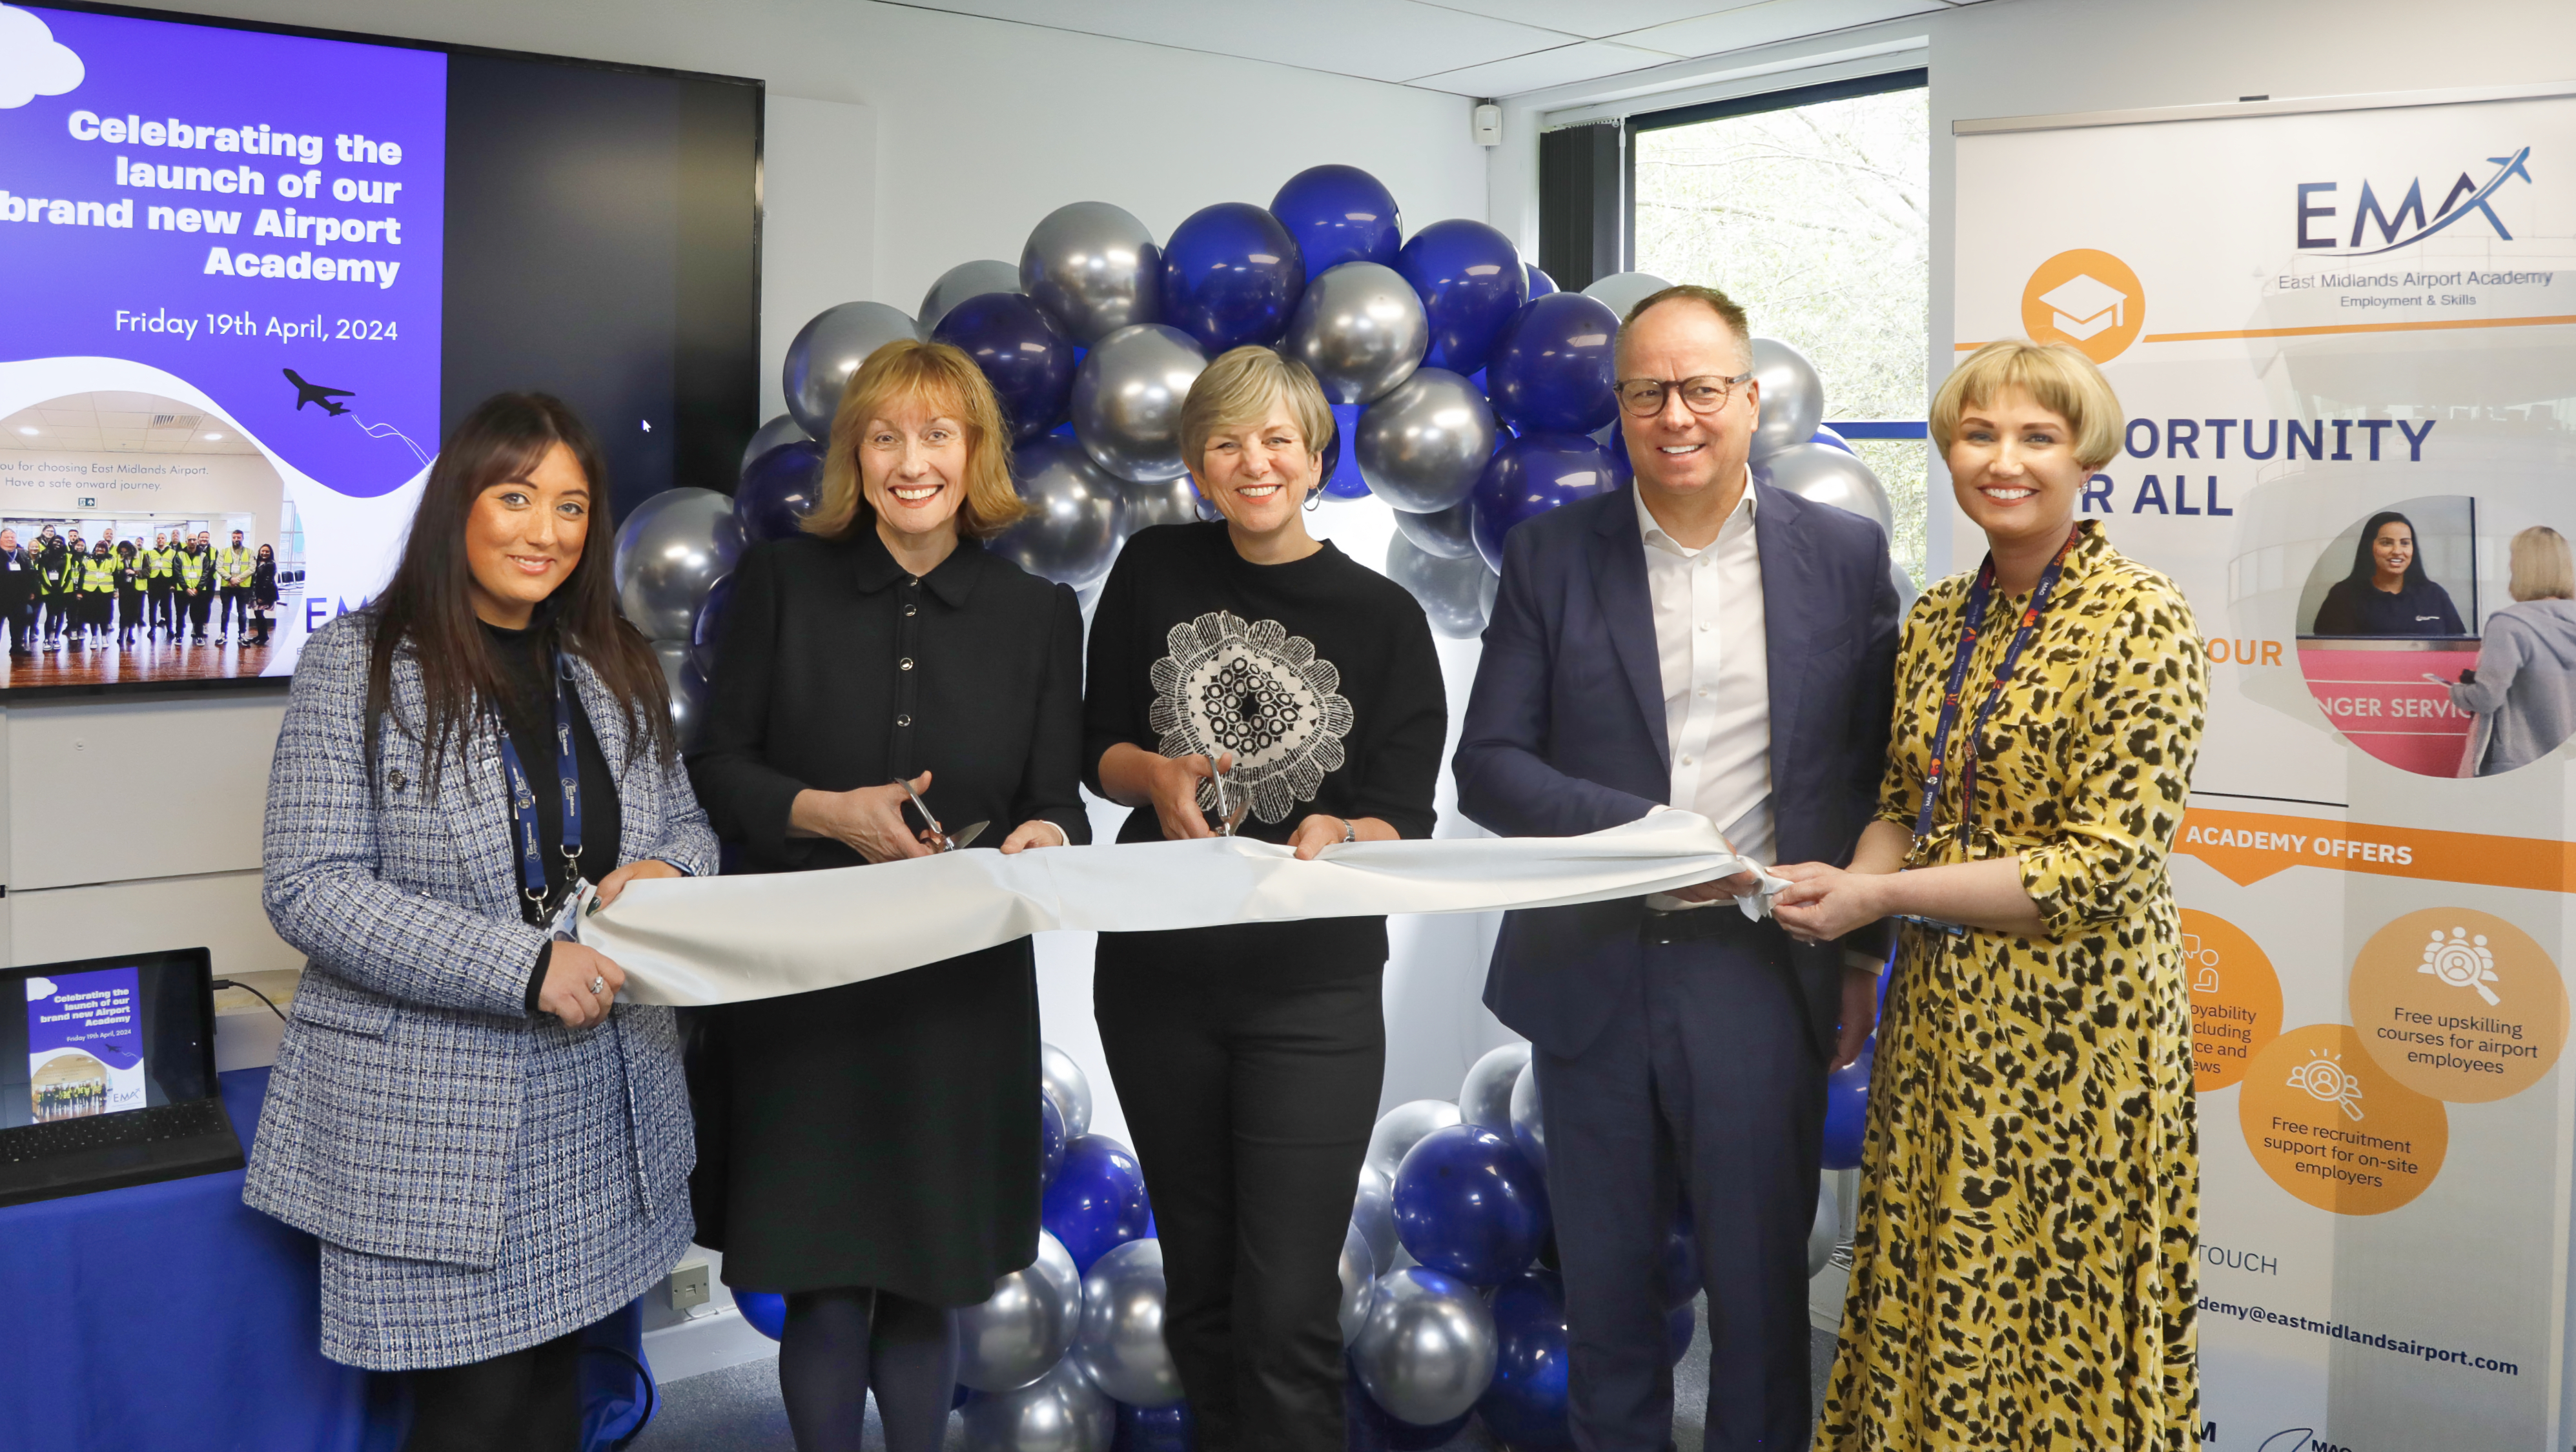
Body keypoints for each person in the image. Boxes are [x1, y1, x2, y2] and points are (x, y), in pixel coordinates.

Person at [1453, 283, 1896, 1452]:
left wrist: (1859, 952)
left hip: (1760, 970)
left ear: (1751, 400)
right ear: (1619, 409)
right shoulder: (1553, 556)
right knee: (1609, 1300)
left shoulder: (1846, 555)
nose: (1677, 414)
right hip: (1591, 966)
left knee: (1758, 1305)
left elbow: (1872, 775)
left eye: (1703, 387)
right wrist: (1652, 832)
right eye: (1648, 391)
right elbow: (1488, 765)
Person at [247, 391, 717, 1451]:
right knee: (473, 1417)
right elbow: (310, 883)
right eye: (516, 496)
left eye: (571, 505)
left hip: (599, 1100)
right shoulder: (358, 664)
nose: (544, 531)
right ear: (460, 500)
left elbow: (687, 820)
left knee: (556, 1399)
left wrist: (670, 863)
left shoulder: (614, 659)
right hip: (436, 1114)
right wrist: (522, 963)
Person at [1780, 340, 2207, 1449]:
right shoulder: (1934, 620)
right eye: (1979, 434)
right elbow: (1894, 800)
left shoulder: (2140, 615)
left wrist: (1881, 896)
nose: (2002, 459)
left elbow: (2103, 864)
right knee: (1939, 1304)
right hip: (1941, 1025)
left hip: (2083, 1033)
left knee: (2057, 1324)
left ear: (2084, 455)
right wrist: (1851, 913)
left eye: (2036, 435)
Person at [686, 338, 1089, 1452]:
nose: (912, 461)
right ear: (854, 457)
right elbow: (717, 770)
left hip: (955, 997)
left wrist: (1040, 833)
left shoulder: (1042, 613)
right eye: (885, 435)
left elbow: (1056, 804)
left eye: (938, 434)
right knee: (819, 1280)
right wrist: (829, 811)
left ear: (976, 454)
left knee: (930, 1279)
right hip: (802, 986)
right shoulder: (775, 584)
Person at [1085, 345, 1446, 1451]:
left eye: (1277, 438)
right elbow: (1090, 744)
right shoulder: (1152, 568)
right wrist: (1151, 773)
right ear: (1198, 463)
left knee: (1288, 1300)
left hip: (1314, 992)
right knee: (1200, 1284)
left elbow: (1405, 814)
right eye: (1227, 442)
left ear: (1316, 455)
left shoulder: (1386, 617)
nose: (1254, 461)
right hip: (1157, 977)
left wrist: (1343, 833)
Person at [2448, 526, 2576, 775]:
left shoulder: (2508, 624)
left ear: (2521, 567)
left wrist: (2458, 693)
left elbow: (2487, 698)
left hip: (2514, 763)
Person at [2312, 509, 2466, 636]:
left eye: (2405, 543)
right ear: (2370, 547)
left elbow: (2458, 648)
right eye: (2386, 543)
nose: (2397, 551)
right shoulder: (2343, 596)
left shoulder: (2435, 595)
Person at [0, 527, 32, 658]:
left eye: (13, 537)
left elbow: (30, 575)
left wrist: (30, 591)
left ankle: (17, 647)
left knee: (18, 625)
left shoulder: (22, 554)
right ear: (0, 539)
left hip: (19, 598)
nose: (10, 539)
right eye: (7, 537)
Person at [217, 527, 253, 646]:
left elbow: (252, 568)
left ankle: (242, 635)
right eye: (234, 537)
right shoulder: (223, 552)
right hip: (227, 586)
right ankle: (223, 634)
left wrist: (238, 579)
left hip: (243, 587)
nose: (236, 539)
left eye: (239, 537)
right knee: (225, 611)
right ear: (231, 538)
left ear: (243, 538)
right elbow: (219, 567)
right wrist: (230, 578)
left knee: (242, 612)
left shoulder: (249, 552)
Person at [249, 542, 280, 647]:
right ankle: (260, 636)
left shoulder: (270, 564)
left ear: (270, 553)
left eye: (267, 551)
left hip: (264, 593)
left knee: (260, 615)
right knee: (258, 614)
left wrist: (261, 597)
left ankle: (264, 636)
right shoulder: (258, 562)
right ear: (260, 552)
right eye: (263, 551)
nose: (265, 553)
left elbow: (266, 581)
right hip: (256, 592)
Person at [147, 532, 176, 637]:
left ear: (166, 540)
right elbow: (146, 569)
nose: (160, 540)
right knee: (152, 609)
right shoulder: (150, 553)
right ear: (156, 540)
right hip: (153, 584)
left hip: (166, 583)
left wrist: (174, 584)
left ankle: (170, 629)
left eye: (162, 538)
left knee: (167, 608)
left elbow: (176, 569)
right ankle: (152, 629)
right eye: (158, 538)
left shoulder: (172, 553)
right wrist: (147, 586)